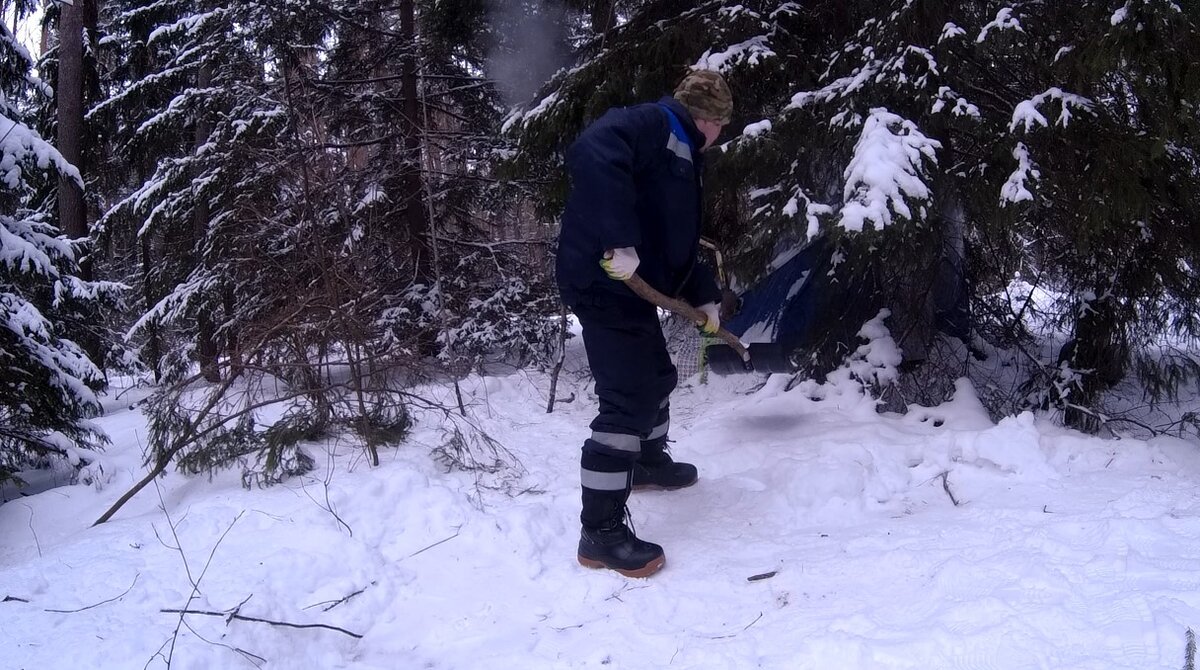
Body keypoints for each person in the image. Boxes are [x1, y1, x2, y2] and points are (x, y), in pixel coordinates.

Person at [556, 69, 733, 578]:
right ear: (711, 119)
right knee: (629, 395)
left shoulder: (681, 151)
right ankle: (601, 533)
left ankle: (648, 463)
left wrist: (706, 298)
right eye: (723, 124)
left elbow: (668, 239)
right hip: (601, 279)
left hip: (626, 285)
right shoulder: (657, 124)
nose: (721, 136)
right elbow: (594, 147)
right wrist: (617, 239)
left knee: (657, 375)